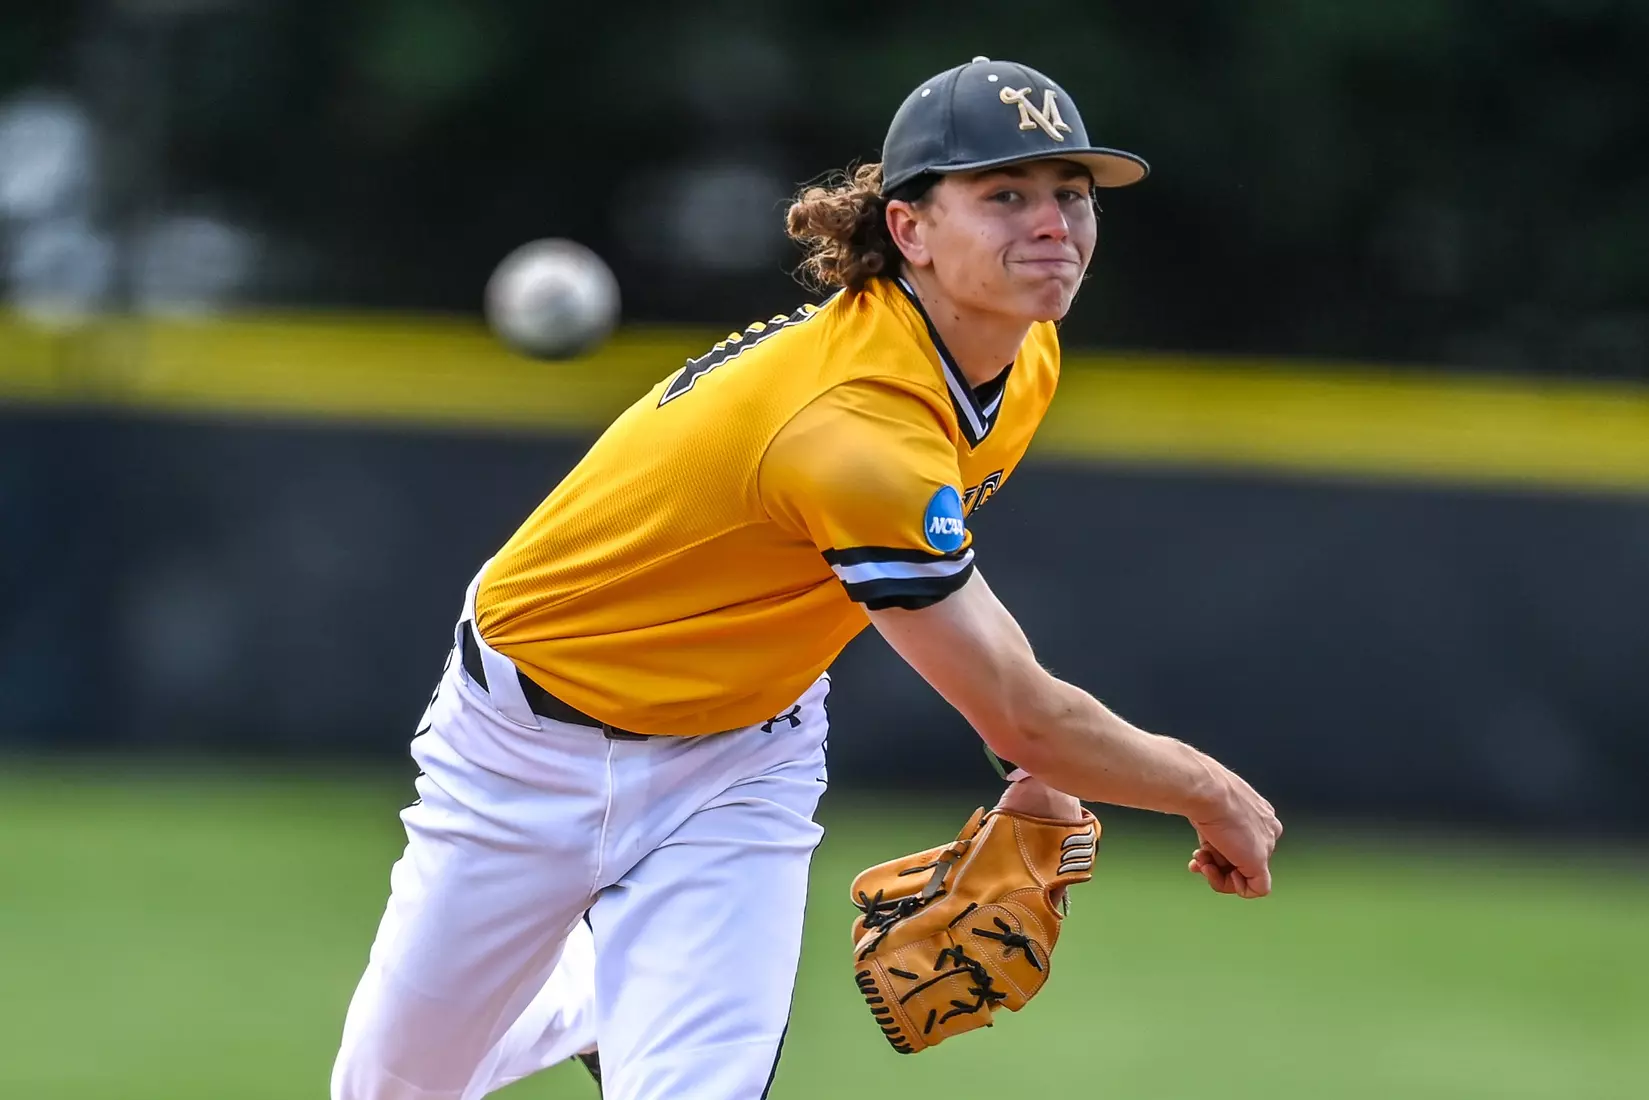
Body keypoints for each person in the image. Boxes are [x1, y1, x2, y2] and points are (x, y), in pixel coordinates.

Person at [330, 55, 1282, 1100]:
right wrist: (1205, 789)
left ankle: (638, 988)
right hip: (524, 745)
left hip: (740, 757)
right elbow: (1018, 708)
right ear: (909, 229)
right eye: (1004, 194)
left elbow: (950, 603)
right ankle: (603, 991)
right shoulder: (847, 423)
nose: (1052, 223)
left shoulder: (1022, 351)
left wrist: (1038, 753)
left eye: (1071, 193)